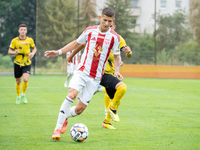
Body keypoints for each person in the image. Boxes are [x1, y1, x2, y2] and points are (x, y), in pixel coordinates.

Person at [44, 7, 122, 140]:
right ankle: (57, 129)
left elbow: (116, 56)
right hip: (82, 71)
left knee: (79, 110)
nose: (106, 24)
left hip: (96, 78)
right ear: (99, 18)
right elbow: (76, 43)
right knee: (72, 94)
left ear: (112, 21)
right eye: (104, 20)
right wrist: (58, 52)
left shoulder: (115, 38)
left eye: (109, 21)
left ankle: (65, 117)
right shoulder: (90, 31)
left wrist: (117, 71)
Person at [68, 21, 132, 129]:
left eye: (110, 25)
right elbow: (82, 44)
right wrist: (71, 55)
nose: (107, 27)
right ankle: (112, 110)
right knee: (121, 88)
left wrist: (128, 53)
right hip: (98, 72)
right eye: (105, 23)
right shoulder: (96, 34)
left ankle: (107, 121)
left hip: (109, 73)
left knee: (114, 95)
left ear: (114, 26)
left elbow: (120, 55)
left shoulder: (117, 38)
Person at [8, 24, 37, 104]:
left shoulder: (30, 40)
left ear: (26, 31)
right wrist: (14, 52)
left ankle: (23, 94)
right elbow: (9, 51)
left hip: (27, 62)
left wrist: (32, 53)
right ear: (19, 31)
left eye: (24, 29)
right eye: (21, 29)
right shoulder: (14, 41)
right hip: (17, 63)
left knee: (26, 79)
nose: (23, 31)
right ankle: (18, 96)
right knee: (18, 82)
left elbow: (34, 48)